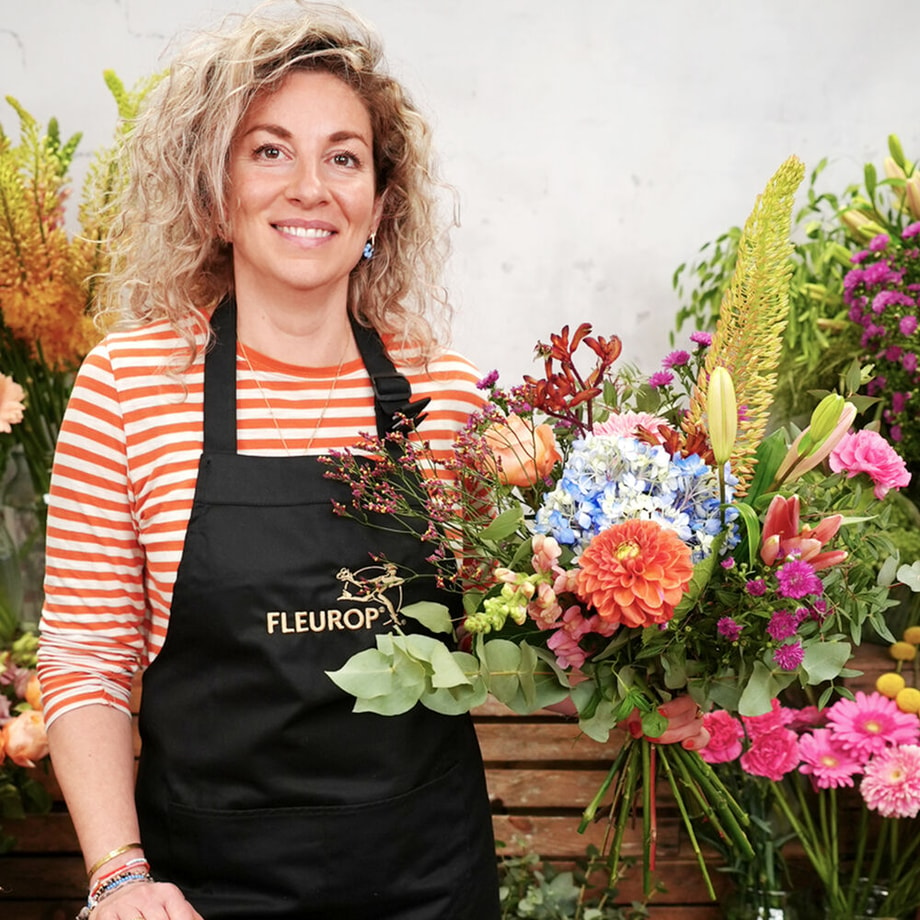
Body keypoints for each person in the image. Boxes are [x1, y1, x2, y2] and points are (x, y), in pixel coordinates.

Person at [36, 2, 500, 917]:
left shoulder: (446, 395)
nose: (310, 187)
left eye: (343, 156)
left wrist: (644, 669)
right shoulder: (129, 384)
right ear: (214, 192)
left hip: (427, 877)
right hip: (208, 883)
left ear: (378, 202)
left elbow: (519, 627)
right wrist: (120, 875)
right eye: (270, 150)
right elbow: (87, 658)